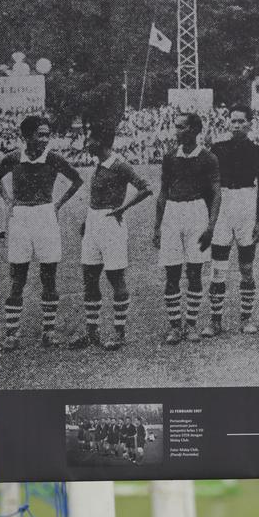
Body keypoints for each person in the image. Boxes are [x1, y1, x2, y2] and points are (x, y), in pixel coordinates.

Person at [0, 114, 84, 349]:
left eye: (47, 135)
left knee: (48, 276)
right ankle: (12, 333)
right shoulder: (13, 157)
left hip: (45, 215)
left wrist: (58, 204)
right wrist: (7, 200)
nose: (45, 139)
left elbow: (77, 180)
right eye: (40, 134)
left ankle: (48, 331)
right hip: (21, 216)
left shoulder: (53, 159)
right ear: (26, 136)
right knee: (17, 277)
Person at [68, 122, 154, 351]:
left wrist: (122, 209)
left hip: (111, 222)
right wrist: (88, 220)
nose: (86, 144)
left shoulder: (120, 165)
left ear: (102, 142)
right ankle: (92, 332)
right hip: (94, 222)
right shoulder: (98, 163)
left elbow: (146, 188)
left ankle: (119, 333)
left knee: (116, 278)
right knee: (89, 277)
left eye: (90, 140)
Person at [154, 113, 222, 344]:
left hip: (196, 213)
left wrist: (211, 226)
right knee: (172, 272)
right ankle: (175, 326)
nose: (176, 131)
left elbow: (216, 193)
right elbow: (163, 191)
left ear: (193, 130)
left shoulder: (208, 158)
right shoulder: (170, 157)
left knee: (194, 272)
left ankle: (191, 324)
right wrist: (157, 226)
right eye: (176, 127)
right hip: (173, 212)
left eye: (181, 127)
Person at [207, 104, 259, 335]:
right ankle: (215, 321)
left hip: (246, 203)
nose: (236, 125)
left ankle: (246, 318)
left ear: (250, 124)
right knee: (218, 268)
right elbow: (210, 184)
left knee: (246, 267)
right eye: (233, 121)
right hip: (223, 204)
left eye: (241, 121)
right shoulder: (218, 148)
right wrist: (211, 218)